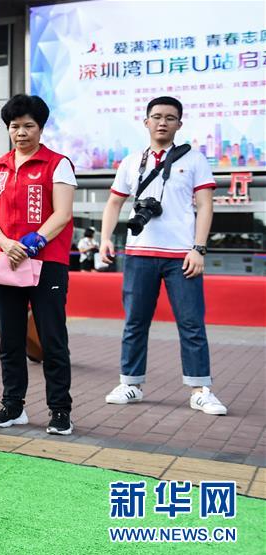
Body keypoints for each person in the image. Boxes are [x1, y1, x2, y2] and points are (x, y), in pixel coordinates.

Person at [101, 96, 226, 415]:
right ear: (146, 122)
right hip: (138, 254)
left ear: (179, 124)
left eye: (170, 118)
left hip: (181, 256)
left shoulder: (195, 159)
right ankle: (130, 383)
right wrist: (104, 239)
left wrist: (198, 248)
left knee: (191, 323)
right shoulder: (131, 161)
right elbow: (114, 202)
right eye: (156, 116)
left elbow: (205, 205)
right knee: (135, 322)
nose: (162, 122)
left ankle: (200, 389)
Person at [0, 94, 77, 436]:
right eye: (14, 126)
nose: (20, 133)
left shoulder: (57, 164)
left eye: (28, 126)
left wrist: (31, 244)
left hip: (47, 263)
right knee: (10, 339)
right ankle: (13, 405)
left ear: (41, 128)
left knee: (52, 338)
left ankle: (60, 410)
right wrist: (7, 244)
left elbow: (62, 214)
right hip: (6, 262)